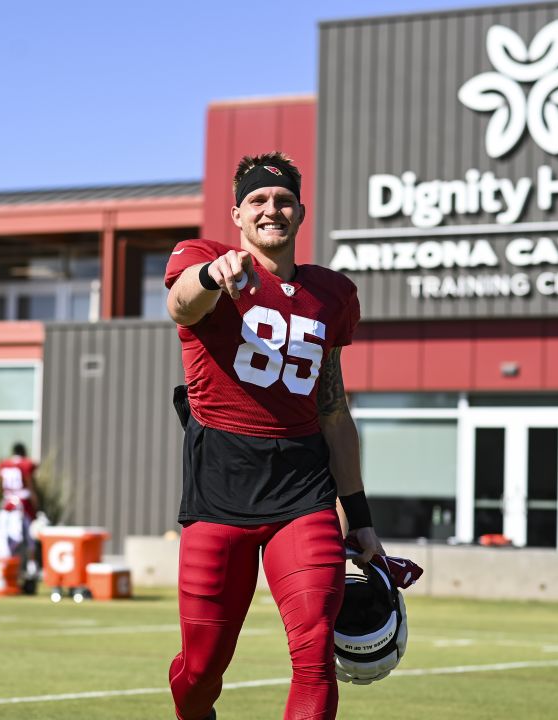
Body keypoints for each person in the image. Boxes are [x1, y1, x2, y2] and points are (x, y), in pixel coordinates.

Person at [164, 151, 383, 720]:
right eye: (258, 200)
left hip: (303, 493)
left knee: (314, 655)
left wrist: (359, 518)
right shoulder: (205, 259)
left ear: (301, 213)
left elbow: (334, 411)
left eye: (283, 200)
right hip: (220, 490)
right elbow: (181, 304)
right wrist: (215, 276)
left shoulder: (331, 294)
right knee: (203, 668)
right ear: (237, 213)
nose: (271, 209)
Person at [0, 443, 39, 583]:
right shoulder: (25, 465)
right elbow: (30, 486)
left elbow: (1, 486)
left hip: (6, 505)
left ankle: (10, 568)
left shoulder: (4, 464)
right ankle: (26, 568)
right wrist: (36, 507)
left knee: (7, 539)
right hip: (22, 506)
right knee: (27, 538)